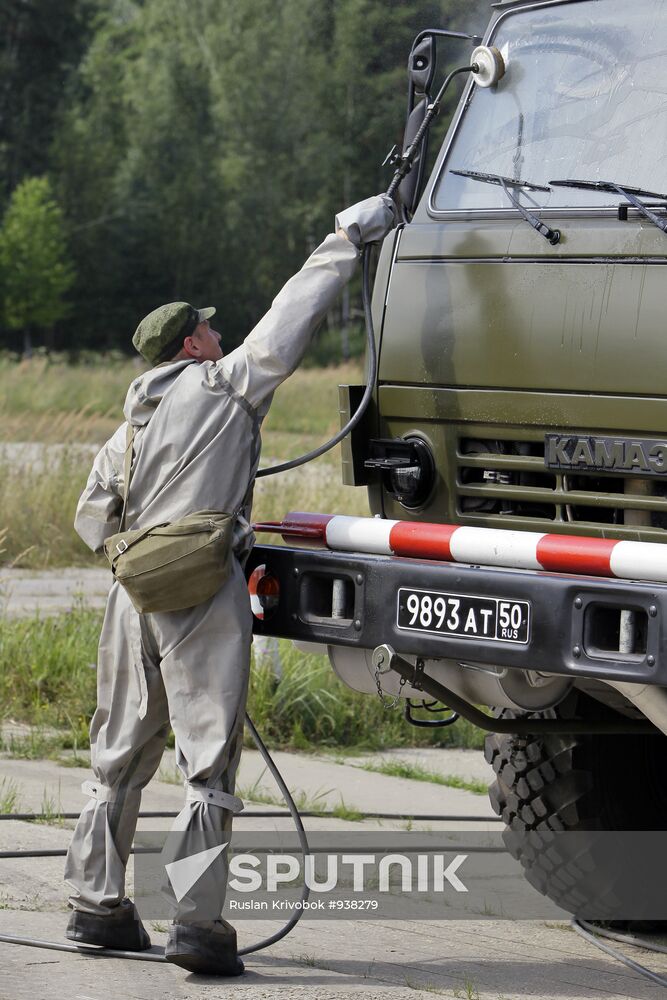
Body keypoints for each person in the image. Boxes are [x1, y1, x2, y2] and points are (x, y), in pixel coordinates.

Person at [63, 194, 396, 975]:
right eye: (210, 326)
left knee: (115, 756)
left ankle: (95, 906)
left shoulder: (128, 426)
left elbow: (89, 521)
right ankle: (195, 922)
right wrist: (346, 236)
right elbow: (294, 311)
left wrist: (144, 549)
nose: (222, 333)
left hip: (129, 593)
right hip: (200, 591)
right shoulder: (228, 384)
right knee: (206, 763)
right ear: (192, 342)